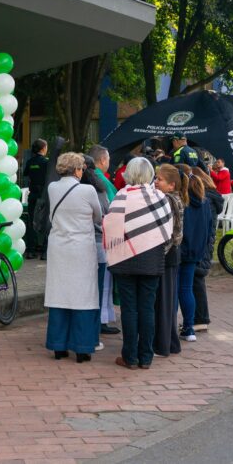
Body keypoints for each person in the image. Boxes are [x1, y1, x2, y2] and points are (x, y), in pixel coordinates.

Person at [104, 158, 173, 370]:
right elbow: (167, 228)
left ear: (128, 173)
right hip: (152, 259)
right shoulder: (160, 197)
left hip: (125, 259)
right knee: (147, 307)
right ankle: (146, 357)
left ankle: (130, 357)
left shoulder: (122, 195)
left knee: (129, 308)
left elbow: (110, 225)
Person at [44, 152, 103, 363]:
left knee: (59, 294)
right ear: (78, 169)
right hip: (81, 247)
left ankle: (58, 345)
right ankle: (82, 348)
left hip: (59, 246)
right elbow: (97, 215)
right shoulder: (88, 190)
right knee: (83, 296)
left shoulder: (53, 188)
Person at [184, 165, 223, 333]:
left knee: (196, 281)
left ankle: (200, 319)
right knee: (196, 281)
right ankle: (200, 318)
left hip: (200, 245)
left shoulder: (204, 199)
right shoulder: (210, 197)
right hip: (205, 243)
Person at [153, 165, 185, 357]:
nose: (156, 182)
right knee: (167, 301)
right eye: (156, 178)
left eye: (160, 180)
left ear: (171, 185)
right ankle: (170, 342)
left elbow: (169, 233)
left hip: (166, 254)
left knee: (163, 302)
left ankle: (162, 344)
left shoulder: (167, 200)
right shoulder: (175, 199)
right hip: (172, 254)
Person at [87, 147, 119, 336]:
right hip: (100, 238)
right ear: (101, 161)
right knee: (102, 283)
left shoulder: (92, 179)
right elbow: (108, 209)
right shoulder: (100, 181)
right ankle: (100, 320)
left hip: (87, 239)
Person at [177, 173, 212, 343]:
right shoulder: (205, 204)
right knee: (186, 289)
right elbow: (209, 228)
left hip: (179, 251)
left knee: (175, 291)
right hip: (195, 252)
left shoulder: (182, 203)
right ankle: (189, 327)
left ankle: (170, 327)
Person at [23, 139, 50, 259]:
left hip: (32, 195)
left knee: (31, 222)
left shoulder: (30, 162)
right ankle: (44, 252)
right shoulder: (46, 162)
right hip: (43, 195)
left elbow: (26, 174)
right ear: (43, 148)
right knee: (45, 221)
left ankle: (30, 250)